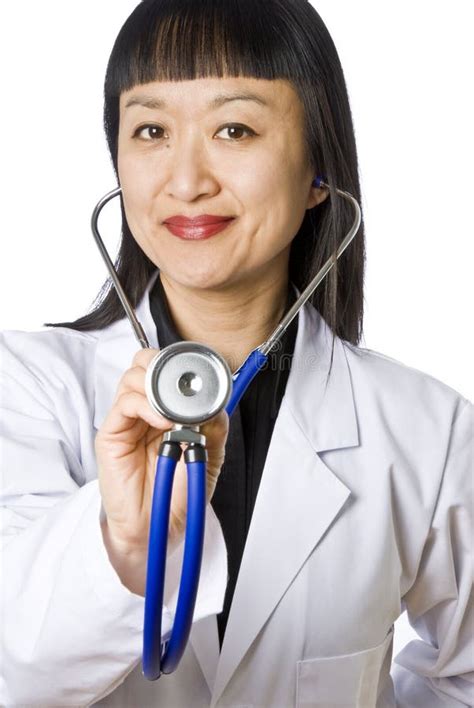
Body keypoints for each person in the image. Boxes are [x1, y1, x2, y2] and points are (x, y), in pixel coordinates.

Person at [1, 0, 472, 706]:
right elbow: (15, 672)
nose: (186, 180)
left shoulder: (427, 429)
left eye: (235, 129)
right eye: (152, 130)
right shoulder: (27, 387)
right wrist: (127, 548)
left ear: (319, 172)